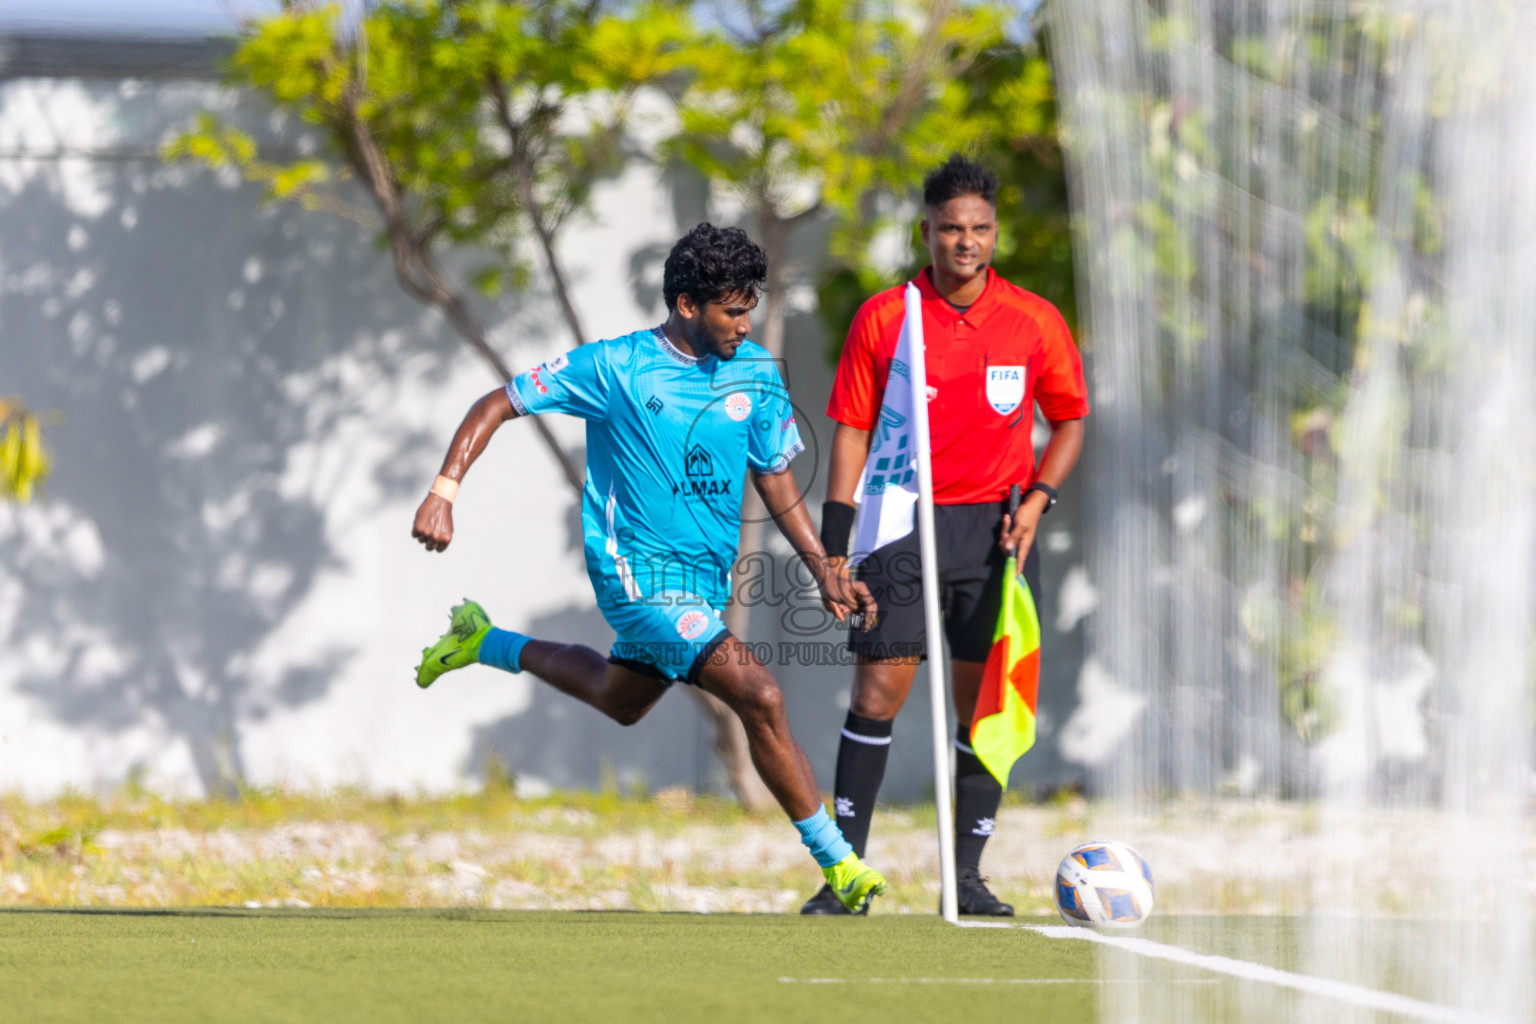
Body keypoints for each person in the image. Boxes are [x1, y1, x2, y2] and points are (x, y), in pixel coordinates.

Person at [410, 223, 887, 913]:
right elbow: (497, 403)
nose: (743, 322)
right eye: (731, 308)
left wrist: (822, 568)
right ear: (687, 305)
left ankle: (484, 641)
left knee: (619, 699)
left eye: (750, 306)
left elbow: (777, 476)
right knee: (761, 694)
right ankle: (840, 864)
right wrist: (443, 491)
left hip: (701, 585)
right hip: (634, 575)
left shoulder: (755, 371)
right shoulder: (616, 368)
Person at [801, 155, 1089, 916]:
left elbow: (1069, 421)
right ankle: (845, 876)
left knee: (980, 706)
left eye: (980, 229)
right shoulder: (886, 316)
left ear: (996, 234)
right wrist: (838, 543)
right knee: (877, 692)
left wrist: (1037, 503)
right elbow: (852, 431)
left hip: (992, 533)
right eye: (952, 229)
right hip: (900, 522)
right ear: (926, 231)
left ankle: (965, 877)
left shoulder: (1033, 320)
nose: (966, 242)